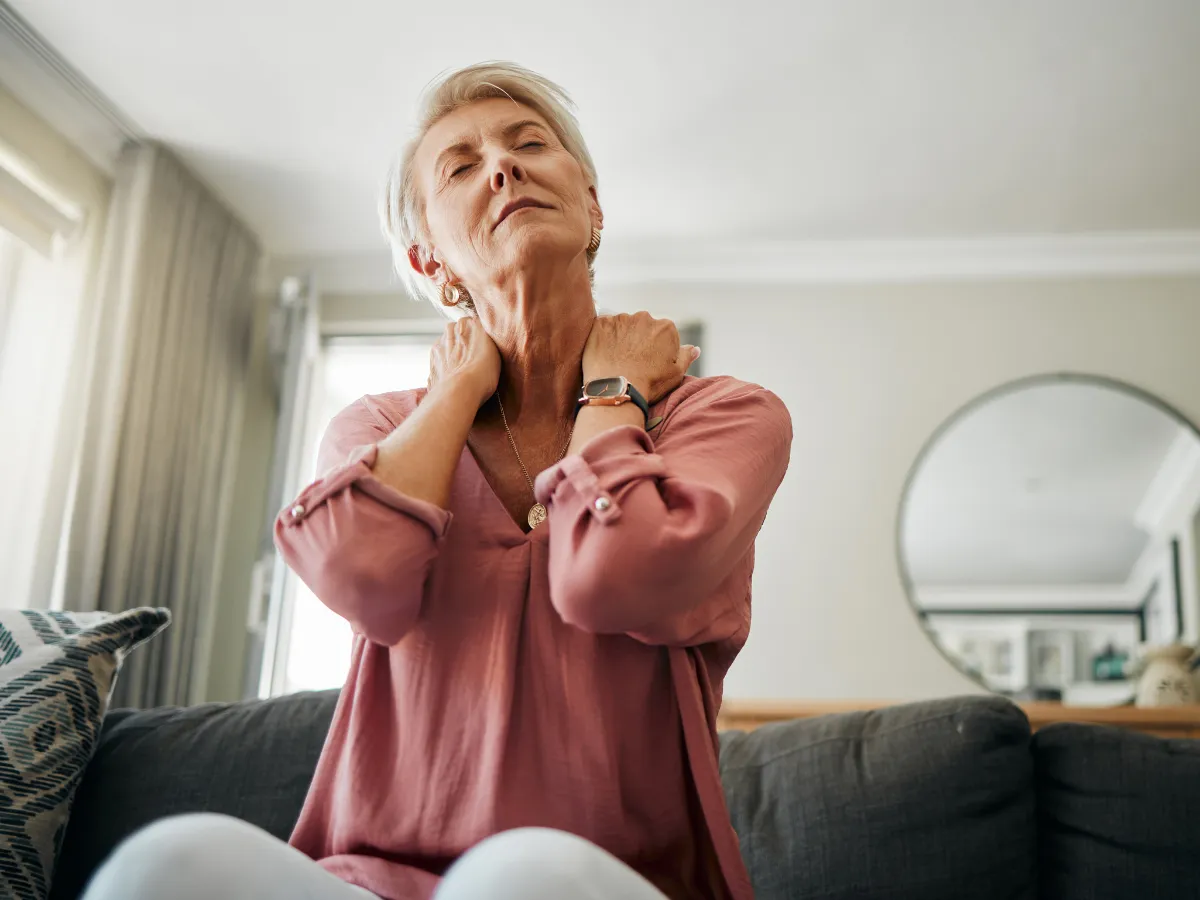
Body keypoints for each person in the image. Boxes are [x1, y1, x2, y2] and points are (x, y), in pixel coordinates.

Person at [82, 61, 791, 900]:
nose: (504, 166)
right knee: (166, 865)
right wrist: (457, 386)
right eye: (462, 165)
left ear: (593, 207)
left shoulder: (723, 416)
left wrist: (611, 396)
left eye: (531, 144)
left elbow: (612, 579)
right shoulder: (379, 429)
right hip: (373, 879)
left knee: (517, 876)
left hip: (602, 880)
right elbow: (360, 577)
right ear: (429, 258)